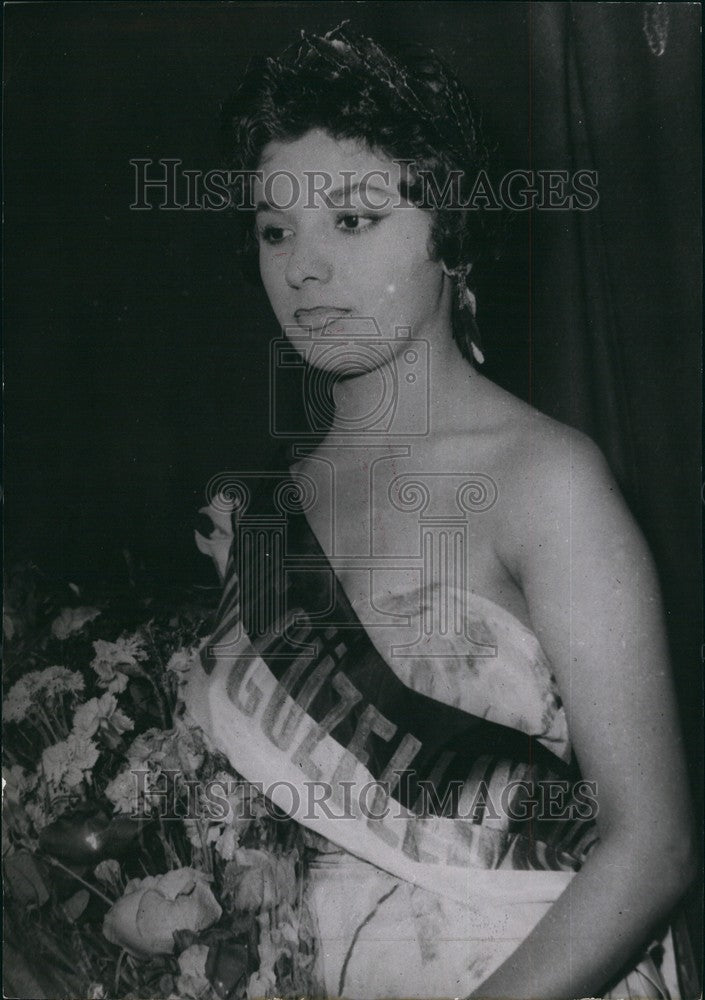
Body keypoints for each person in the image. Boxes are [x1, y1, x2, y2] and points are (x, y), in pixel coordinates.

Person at [185, 24, 696, 999]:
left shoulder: (546, 480)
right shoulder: (270, 512)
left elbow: (655, 845)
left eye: (355, 217)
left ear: (451, 229)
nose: (302, 267)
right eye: (275, 228)